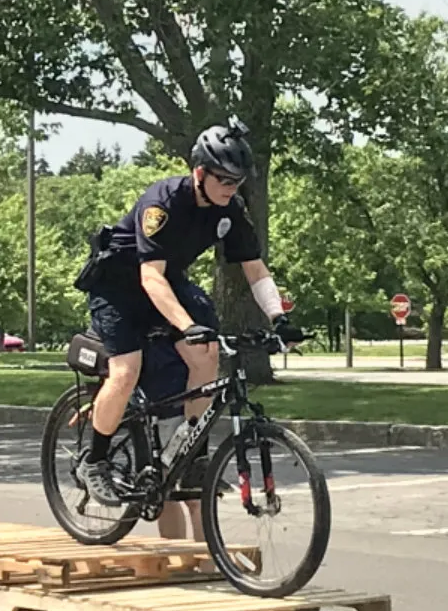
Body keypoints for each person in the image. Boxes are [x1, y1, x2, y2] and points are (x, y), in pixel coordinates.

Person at [74, 118, 303, 538]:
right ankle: (96, 461)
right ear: (200, 172)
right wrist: (186, 325)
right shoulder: (163, 202)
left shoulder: (229, 210)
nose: (231, 188)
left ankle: (191, 452)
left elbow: (254, 269)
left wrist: (279, 318)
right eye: (224, 180)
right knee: (126, 370)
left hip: (167, 281)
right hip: (122, 286)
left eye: (238, 181)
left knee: (208, 355)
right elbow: (150, 279)